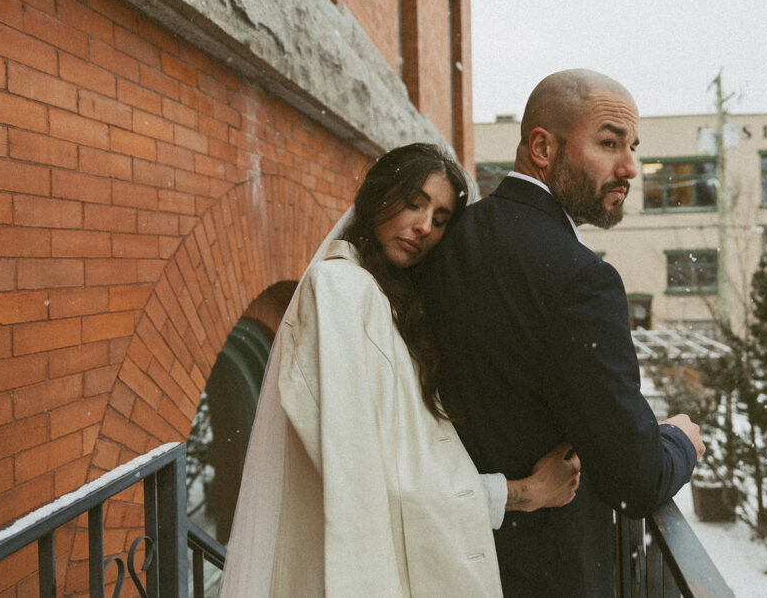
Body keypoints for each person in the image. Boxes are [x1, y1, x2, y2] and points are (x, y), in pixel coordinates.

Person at [218, 143, 581, 597]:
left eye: (442, 219)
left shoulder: (385, 297)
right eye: (414, 204)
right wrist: (526, 493)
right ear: (378, 198)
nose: (425, 226)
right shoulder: (340, 289)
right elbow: (376, 479)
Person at [423, 70, 706, 596]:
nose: (630, 169)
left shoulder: (448, 240)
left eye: (633, 147)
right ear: (541, 147)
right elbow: (636, 479)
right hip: (546, 575)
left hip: (448, 564)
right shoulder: (582, 281)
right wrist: (679, 441)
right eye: (608, 143)